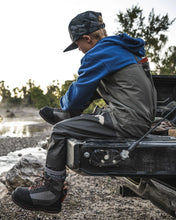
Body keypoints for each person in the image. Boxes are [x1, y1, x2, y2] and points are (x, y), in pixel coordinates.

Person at [12, 11, 157, 213]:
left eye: (78, 44)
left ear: (87, 39)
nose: (79, 49)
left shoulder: (100, 53)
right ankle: (66, 118)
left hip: (127, 120)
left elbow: (76, 96)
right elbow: (96, 89)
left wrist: (66, 106)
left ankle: (50, 192)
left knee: (60, 131)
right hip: (138, 118)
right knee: (88, 97)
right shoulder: (119, 49)